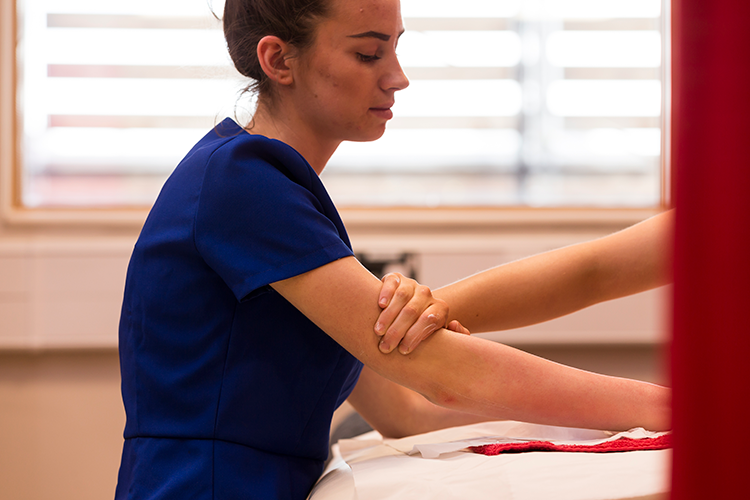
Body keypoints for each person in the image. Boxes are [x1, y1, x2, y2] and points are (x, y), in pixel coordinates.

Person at [114, 0, 671, 499]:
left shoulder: (281, 194)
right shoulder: (242, 183)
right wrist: (666, 409)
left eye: (395, 50)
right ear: (279, 61)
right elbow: (443, 376)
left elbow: (405, 410)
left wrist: (615, 431)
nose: (398, 78)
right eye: (367, 54)